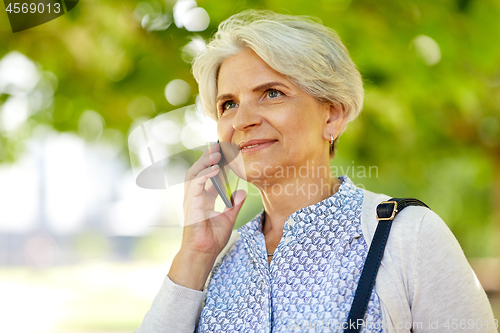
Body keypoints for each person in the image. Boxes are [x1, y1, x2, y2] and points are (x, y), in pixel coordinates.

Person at [136, 10, 497, 333]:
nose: (243, 121)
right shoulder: (216, 259)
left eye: (272, 93)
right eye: (228, 104)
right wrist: (195, 255)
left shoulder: (407, 236)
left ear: (333, 115)